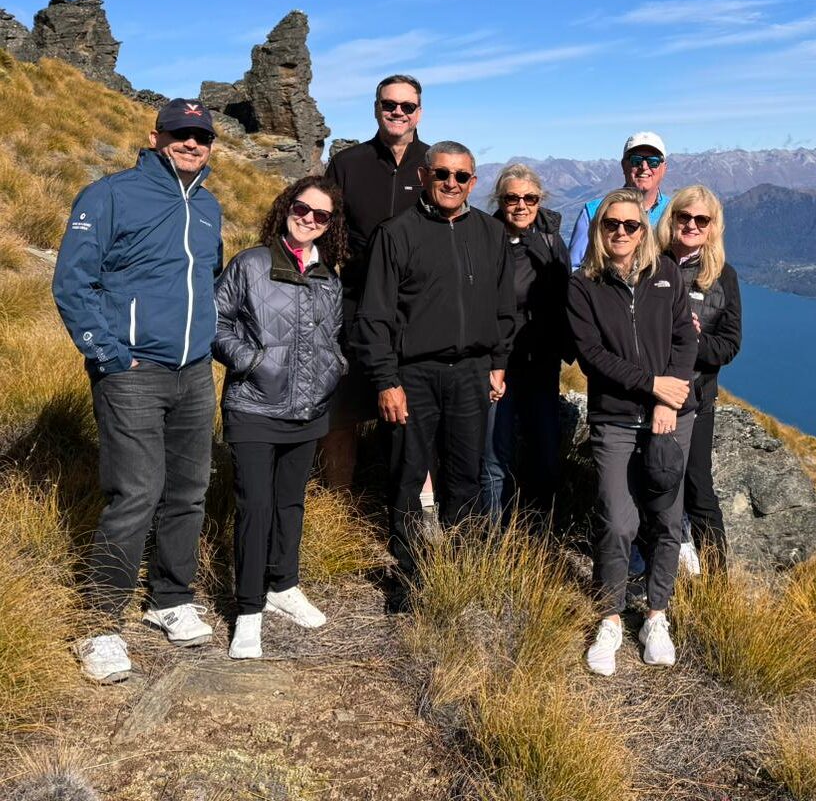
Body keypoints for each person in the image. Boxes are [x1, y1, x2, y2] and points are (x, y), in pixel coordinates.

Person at [53, 99, 222, 684]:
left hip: (194, 372)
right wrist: (108, 355)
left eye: (201, 135)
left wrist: (208, 343)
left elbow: (209, 283)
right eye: (180, 133)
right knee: (135, 494)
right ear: (157, 137)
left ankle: (170, 600)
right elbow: (73, 280)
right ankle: (99, 624)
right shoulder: (110, 195)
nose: (191, 143)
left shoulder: (208, 205)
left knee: (189, 490)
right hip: (132, 372)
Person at [352, 140, 516, 605]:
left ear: (473, 183)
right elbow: (375, 316)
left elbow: (505, 307)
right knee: (407, 474)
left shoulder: (490, 233)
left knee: (466, 476)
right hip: (413, 374)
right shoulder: (397, 233)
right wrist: (386, 380)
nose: (451, 183)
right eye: (442, 174)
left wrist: (498, 363)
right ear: (424, 176)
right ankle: (408, 577)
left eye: (461, 177)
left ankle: (458, 572)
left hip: (473, 372)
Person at [213, 176, 348, 659]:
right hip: (253, 406)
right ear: (285, 207)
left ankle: (283, 585)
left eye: (321, 215)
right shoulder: (251, 264)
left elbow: (331, 338)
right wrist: (251, 361)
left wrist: (334, 371)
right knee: (255, 506)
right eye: (301, 208)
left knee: (291, 503)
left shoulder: (327, 277)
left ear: (331, 225)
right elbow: (216, 319)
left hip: (308, 411)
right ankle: (248, 610)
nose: (308, 218)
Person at [566, 189, 696, 676]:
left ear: (644, 229)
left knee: (665, 519)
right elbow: (592, 355)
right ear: (599, 230)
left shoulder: (665, 273)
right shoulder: (584, 284)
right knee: (618, 520)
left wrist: (668, 396)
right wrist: (651, 385)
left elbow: (685, 337)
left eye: (631, 225)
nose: (621, 233)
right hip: (616, 417)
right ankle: (611, 617)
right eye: (611, 225)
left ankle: (656, 617)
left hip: (669, 418)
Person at [322, 74, 430, 489]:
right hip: (354, 303)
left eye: (406, 106)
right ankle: (338, 504)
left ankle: (410, 507)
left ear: (419, 112)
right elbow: (326, 226)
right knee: (343, 409)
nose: (397, 112)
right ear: (376, 107)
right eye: (390, 104)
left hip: (416, 310)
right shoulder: (348, 164)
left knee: (415, 414)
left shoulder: (434, 165)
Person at [655, 186, 742, 571]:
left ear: (712, 228)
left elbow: (728, 345)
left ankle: (716, 580)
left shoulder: (724, 277)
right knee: (651, 480)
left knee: (696, 484)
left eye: (700, 220)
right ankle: (654, 559)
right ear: (671, 220)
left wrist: (696, 340)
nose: (691, 225)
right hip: (650, 394)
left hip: (697, 399)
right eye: (683, 217)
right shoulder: (650, 265)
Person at [480, 164, 572, 522]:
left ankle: (538, 533)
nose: (521, 205)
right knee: (494, 456)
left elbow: (567, 295)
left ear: (540, 201)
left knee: (545, 453)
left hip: (541, 363)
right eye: (512, 198)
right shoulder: (486, 240)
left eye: (529, 198)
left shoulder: (551, 242)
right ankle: (492, 539)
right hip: (497, 366)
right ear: (500, 201)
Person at [569, 131, 671, 269]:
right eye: (636, 160)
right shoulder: (593, 211)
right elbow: (574, 266)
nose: (644, 167)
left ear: (664, 168)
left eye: (653, 162)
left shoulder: (675, 212)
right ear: (624, 165)